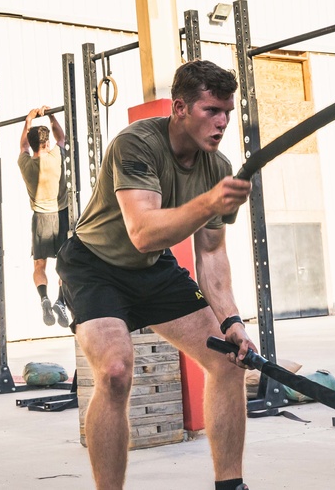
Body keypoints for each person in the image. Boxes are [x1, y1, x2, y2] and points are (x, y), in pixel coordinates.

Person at [57, 59, 255, 490]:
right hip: (95, 266)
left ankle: (230, 485)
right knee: (114, 371)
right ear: (180, 108)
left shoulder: (216, 167)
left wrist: (232, 320)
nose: (222, 122)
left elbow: (212, 254)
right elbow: (143, 232)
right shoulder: (136, 143)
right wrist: (208, 203)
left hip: (153, 269)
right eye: (211, 111)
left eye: (227, 112)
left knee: (228, 361)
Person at [18, 106, 70, 327]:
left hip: (40, 219)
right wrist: (51, 116)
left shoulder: (25, 163)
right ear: (46, 143)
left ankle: (44, 298)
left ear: (31, 146)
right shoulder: (56, 156)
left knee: (39, 266)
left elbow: (22, 145)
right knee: (66, 265)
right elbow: (61, 135)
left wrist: (28, 120)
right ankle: (60, 300)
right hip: (61, 215)